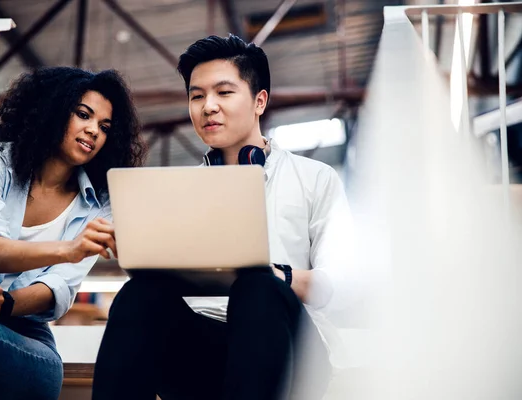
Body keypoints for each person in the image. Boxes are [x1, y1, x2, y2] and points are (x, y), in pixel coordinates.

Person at [93, 35, 355, 400]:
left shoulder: (315, 179)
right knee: (140, 293)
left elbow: (339, 285)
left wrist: (275, 275)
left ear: (259, 101)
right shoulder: (175, 190)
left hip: (292, 352)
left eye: (224, 93)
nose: (207, 107)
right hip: (206, 352)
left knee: (258, 287)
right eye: (197, 96)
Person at [0, 66, 145, 399]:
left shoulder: (99, 204)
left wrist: (6, 304)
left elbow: (57, 288)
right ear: (52, 110)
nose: (93, 131)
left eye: (104, 126)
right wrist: (68, 248)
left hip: (28, 345)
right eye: (83, 114)